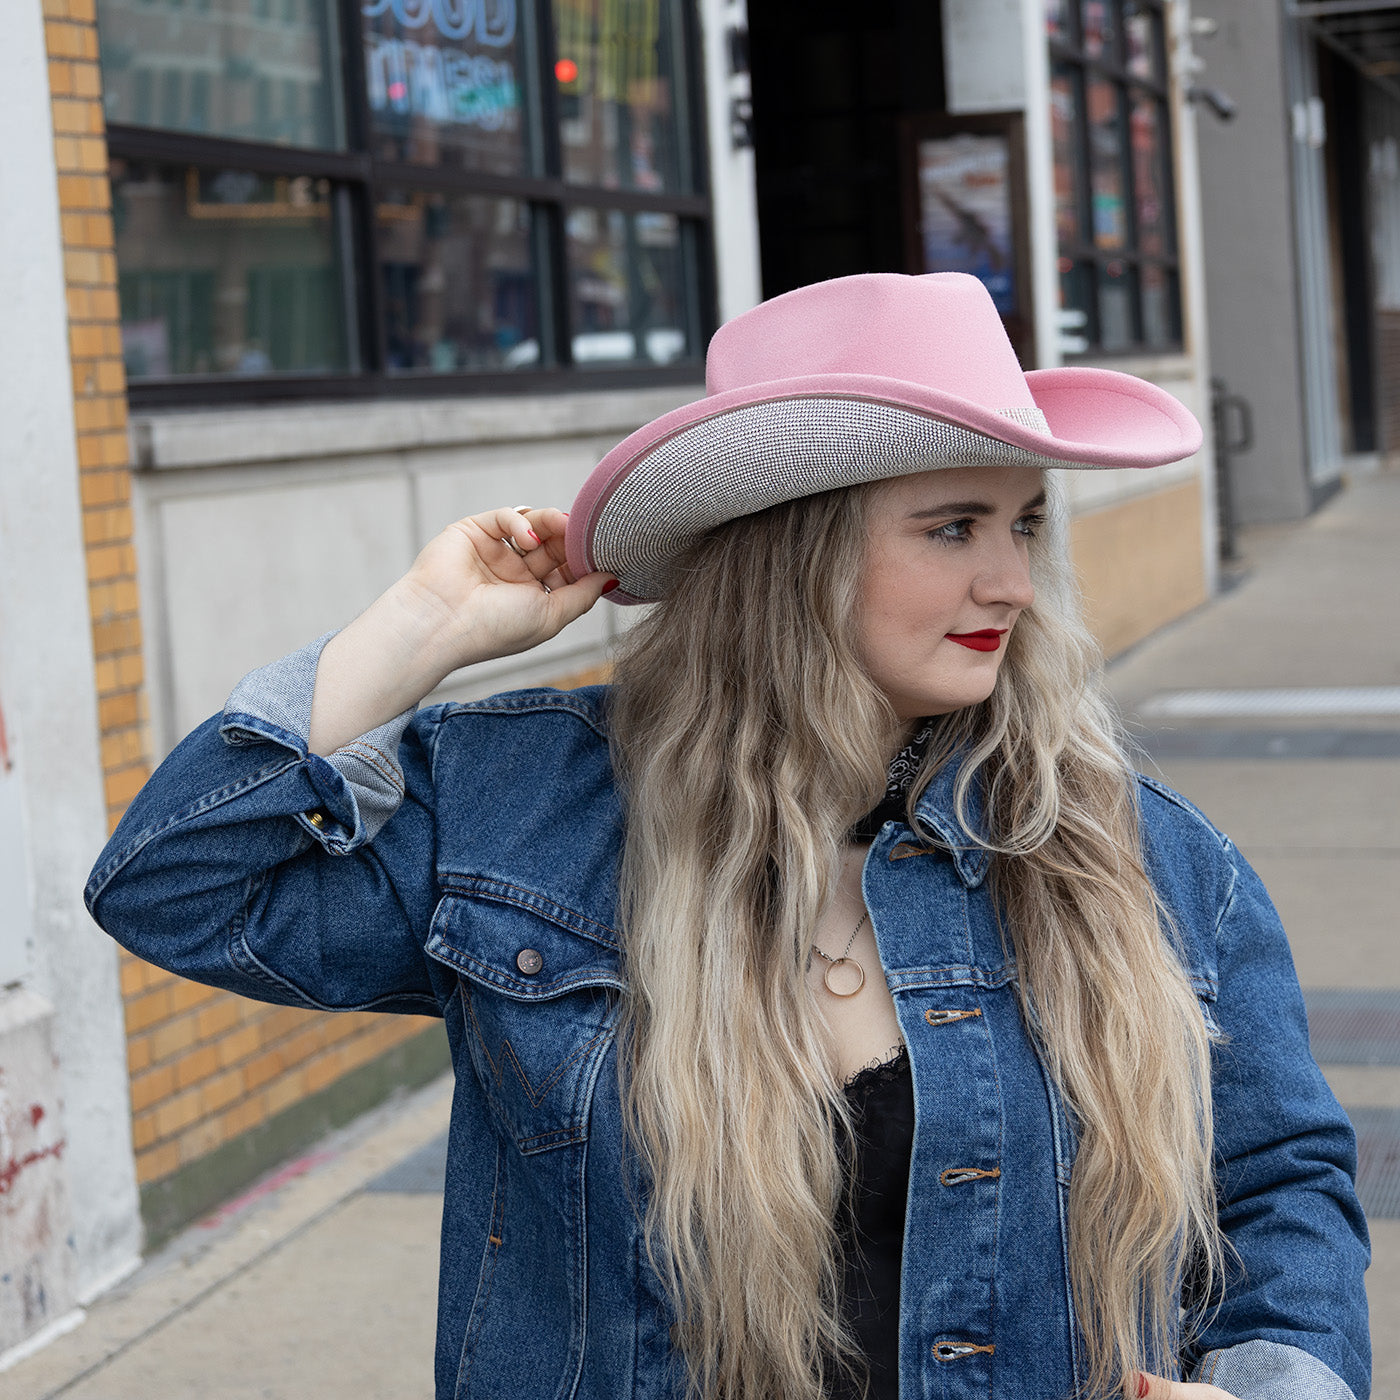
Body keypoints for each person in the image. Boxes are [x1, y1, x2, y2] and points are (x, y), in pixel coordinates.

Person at [85, 274, 1369, 1400]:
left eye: (1023, 522)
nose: (1013, 583)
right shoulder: (525, 813)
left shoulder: (1130, 854)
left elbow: (1276, 1183)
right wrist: (419, 630)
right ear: (791, 551)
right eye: (952, 527)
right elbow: (177, 884)